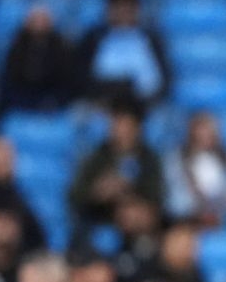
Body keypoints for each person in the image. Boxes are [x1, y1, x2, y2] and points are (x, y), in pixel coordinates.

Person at [69, 96, 165, 234]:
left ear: (137, 128)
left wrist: (128, 194)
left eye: (125, 124)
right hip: (101, 223)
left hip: (139, 227)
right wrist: (97, 192)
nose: (118, 130)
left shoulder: (149, 159)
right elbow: (75, 196)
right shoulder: (96, 158)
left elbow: (156, 196)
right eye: (115, 123)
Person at [76, 0, 171, 103]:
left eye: (128, 7)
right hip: (101, 102)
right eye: (117, 7)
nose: (122, 12)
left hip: (144, 104)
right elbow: (81, 76)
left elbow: (163, 79)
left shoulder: (150, 38)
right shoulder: (94, 38)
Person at [0, 6, 76, 113]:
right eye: (35, 20)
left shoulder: (61, 47)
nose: (39, 24)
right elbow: (11, 79)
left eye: (43, 20)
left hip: (53, 101)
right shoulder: (17, 46)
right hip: (22, 100)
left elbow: (66, 80)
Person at [163, 112, 226, 226]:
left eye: (210, 130)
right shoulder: (176, 160)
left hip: (221, 218)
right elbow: (176, 201)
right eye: (201, 130)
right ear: (191, 132)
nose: (205, 135)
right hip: (188, 220)